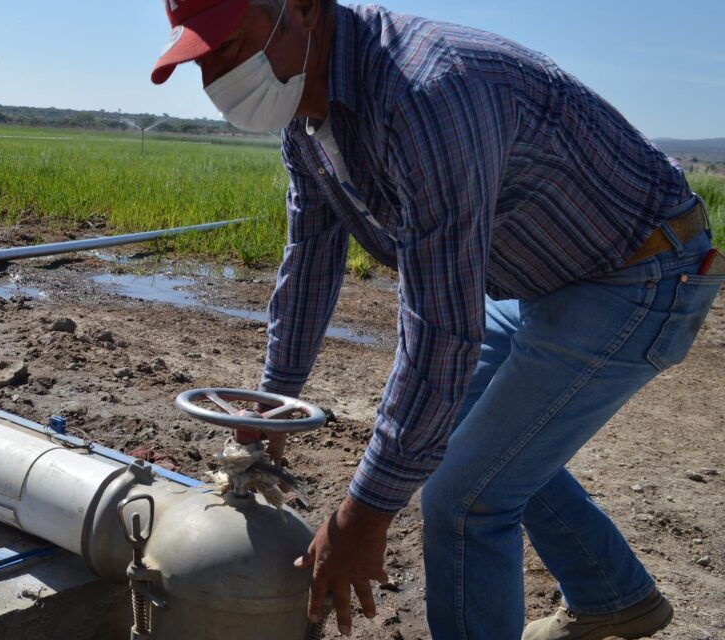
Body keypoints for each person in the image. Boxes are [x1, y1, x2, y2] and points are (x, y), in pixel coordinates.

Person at [150, 1, 723, 638]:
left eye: (229, 47)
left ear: (303, 9)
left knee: (465, 498)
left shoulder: (426, 95)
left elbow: (441, 332)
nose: (216, 81)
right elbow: (309, 265)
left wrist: (361, 515)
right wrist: (270, 405)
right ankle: (611, 595)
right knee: (479, 448)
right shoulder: (306, 122)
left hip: (639, 270)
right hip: (541, 277)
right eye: (201, 62)